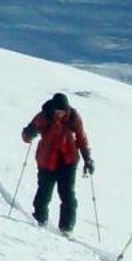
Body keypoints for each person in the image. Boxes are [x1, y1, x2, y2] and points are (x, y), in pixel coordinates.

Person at [20, 93, 93, 232]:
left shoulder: (73, 117)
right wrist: (28, 133)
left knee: (67, 194)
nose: (60, 114)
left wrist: (87, 158)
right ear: (53, 109)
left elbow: (81, 138)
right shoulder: (44, 115)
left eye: (62, 111)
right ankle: (40, 220)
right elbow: (27, 135)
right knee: (44, 192)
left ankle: (67, 227)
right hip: (47, 160)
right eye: (57, 111)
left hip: (68, 161)